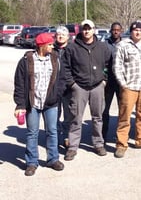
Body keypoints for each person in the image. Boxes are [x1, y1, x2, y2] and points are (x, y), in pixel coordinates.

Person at [13, 33, 64, 176]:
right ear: (42, 46)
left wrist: (56, 95)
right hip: (32, 103)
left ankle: (53, 159)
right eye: (50, 44)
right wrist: (20, 104)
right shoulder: (26, 61)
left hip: (51, 103)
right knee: (32, 133)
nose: (52, 46)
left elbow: (62, 79)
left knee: (52, 131)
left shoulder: (55, 59)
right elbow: (19, 84)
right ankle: (31, 162)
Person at [62, 19, 111, 161]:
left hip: (97, 86)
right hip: (79, 88)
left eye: (89, 28)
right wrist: (72, 84)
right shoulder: (72, 48)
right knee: (76, 118)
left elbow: (108, 64)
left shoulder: (102, 47)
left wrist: (104, 80)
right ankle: (72, 147)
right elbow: (65, 68)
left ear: (94, 29)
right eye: (84, 29)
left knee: (98, 118)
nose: (87, 31)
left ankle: (98, 143)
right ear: (80, 30)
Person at [113, 21, 141, 158]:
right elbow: (117, 66)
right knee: (124, 116)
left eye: (140, 30)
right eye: (135, 30)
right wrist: (123, 83)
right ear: (131, 31)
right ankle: (121, 144)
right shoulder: (122, 45)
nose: (138, 32)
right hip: (129, 86)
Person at [102, 22, 123, 143]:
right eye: (114, 30)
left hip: (120, 82)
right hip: (108, 82)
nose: (116, 32)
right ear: (110, 30)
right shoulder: (105, 44)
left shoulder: (125, 44)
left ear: (121, 31)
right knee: (104, 110)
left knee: (122, 110)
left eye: (118, 30)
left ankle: (120, 135)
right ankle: (103, 135)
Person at [54, 25, 72, 148]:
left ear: (68, 37)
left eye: (63, 34)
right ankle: (53, 137)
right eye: (58, 34)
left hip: (68, 88)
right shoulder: (51, 49)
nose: (60, 36)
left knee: (68, 114)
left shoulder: (72, 49)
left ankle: (67, 136)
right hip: (53, 88)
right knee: (54, 114)